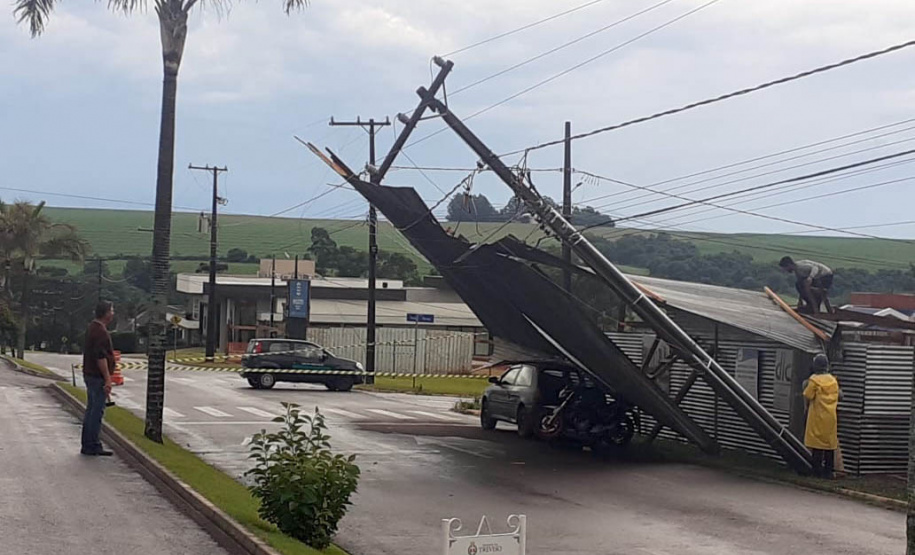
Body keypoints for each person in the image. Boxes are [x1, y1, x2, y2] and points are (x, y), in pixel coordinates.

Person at [81, 301, 116, 456]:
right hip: (97, 376)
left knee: (91, 410)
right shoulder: (100, 332)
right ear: (106, 313)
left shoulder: (92, 328)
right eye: (112, 310)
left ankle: (87, 443)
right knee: (96, 412)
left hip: (90, 374)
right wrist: (107, 379)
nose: (113, 313)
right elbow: (100, 357)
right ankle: (93, 444)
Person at [803, 354, 840, 478]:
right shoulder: (833, 381)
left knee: (817, 446)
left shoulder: (814, 381)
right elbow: (841, 395)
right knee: (829, 445)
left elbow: (808, 395)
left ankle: (817, 471)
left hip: (817, 417)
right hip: (831, 417)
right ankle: (829, 471)